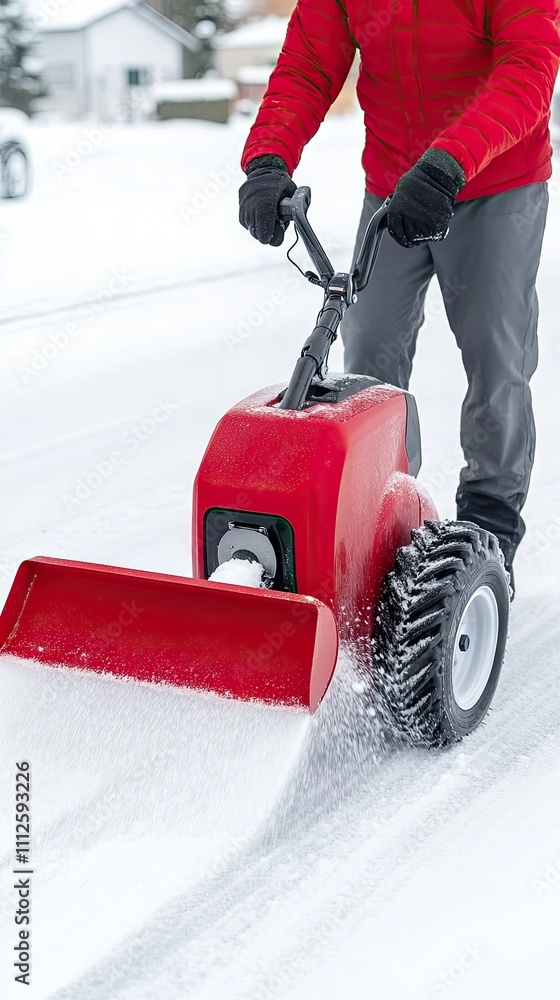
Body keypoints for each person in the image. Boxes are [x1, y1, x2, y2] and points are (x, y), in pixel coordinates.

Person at [238, 0, 560, 595]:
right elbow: (309, 65)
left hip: (495, 183)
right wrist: (267, 158)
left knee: (497, 358)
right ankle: (381, 515)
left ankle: (490, 526)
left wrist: (447, 165)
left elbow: (529, 67)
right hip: (393, 187)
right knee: (370, 358)